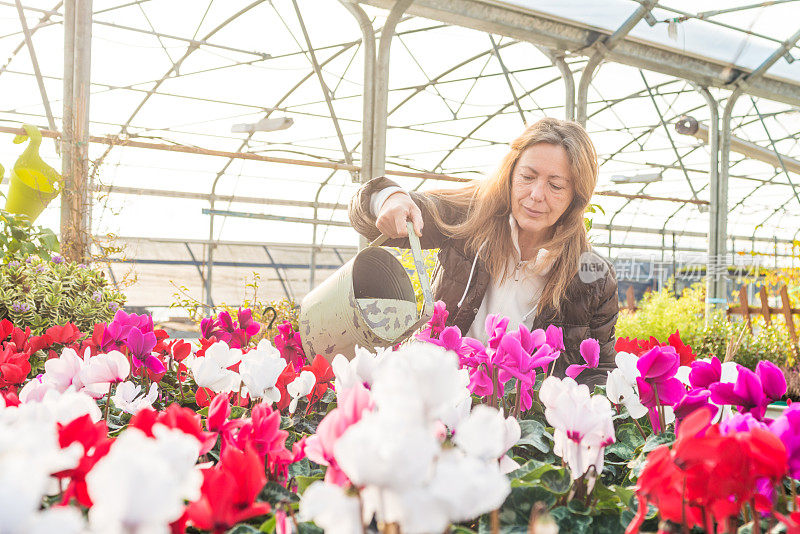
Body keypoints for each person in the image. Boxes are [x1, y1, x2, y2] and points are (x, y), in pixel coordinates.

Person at [348, 118, 618, 387]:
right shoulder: (469, 221)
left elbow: (598, 374)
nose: (536, 194)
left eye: (556, 185)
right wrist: (389, 198)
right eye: (527, 177)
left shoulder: (593, 278)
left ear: (577, 196)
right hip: (439, 397)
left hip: (521, 419)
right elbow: (374, 215)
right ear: (511, 174)